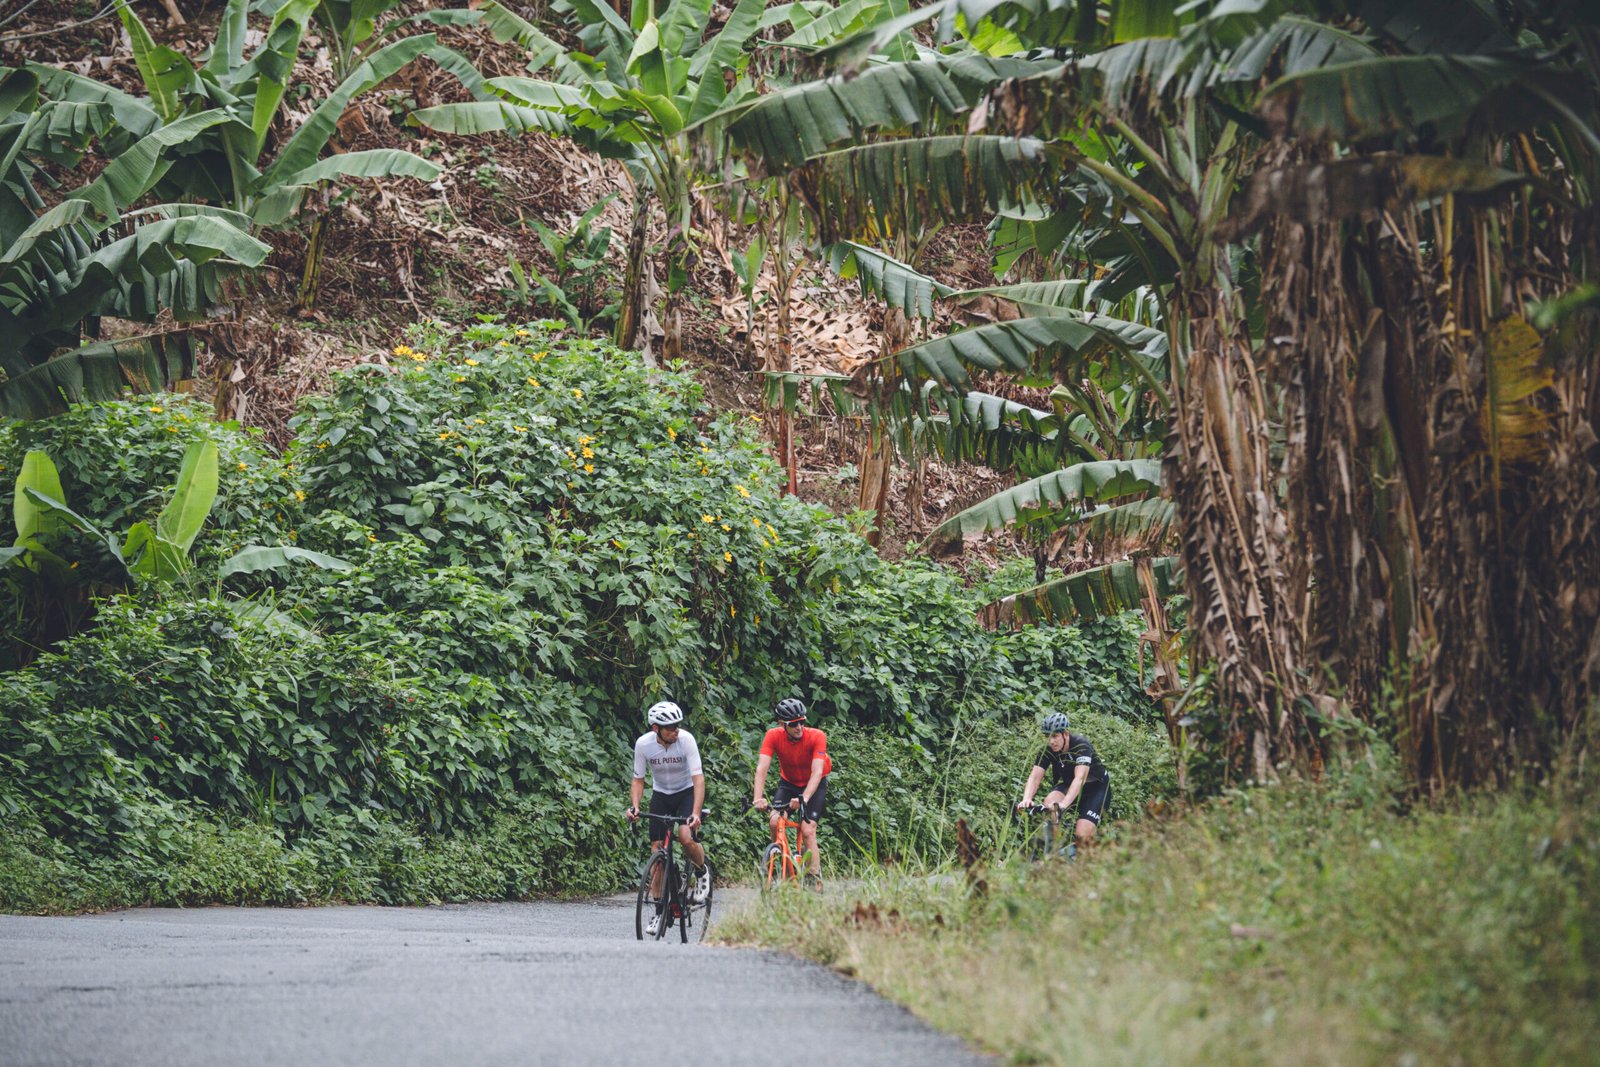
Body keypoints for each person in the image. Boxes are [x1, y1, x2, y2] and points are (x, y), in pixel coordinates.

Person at [626, 700, 709, 935]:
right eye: (670, 727)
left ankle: (702, 872)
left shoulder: (686, 740)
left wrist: (695, 813)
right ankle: (659, 912)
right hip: (661, 794)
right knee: (657, 851)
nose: (676, 730)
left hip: (685, 793)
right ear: (656, 729)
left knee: (685, 836)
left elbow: (698, 779)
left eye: (677, 725)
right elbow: (638, 780)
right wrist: (634, 806)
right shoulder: (643, 745)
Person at [750, 697, 830, 887]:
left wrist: (804, 798)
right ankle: (779, 862)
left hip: (814, 784)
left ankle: (813, 878)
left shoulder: (817, 736)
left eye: (802, 722)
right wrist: (757, 798)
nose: (799, 727)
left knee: (808, 830)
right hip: (789, 783)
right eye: (794, 724)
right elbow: (762, 768)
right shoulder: (773, 736)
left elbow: (817, 772)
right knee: (774, 821)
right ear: (781, 724)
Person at [1016, 711, 1111, 856]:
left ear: (1065, 734)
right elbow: (1035, 777)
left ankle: (1085, 857)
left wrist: (1064, 804)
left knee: (1082, 836)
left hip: (1095, 787)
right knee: (1050, 803)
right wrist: (1026, 799)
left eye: (1054, 736)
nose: (1051, 741)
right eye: (1048, 736)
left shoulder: (1081, 745)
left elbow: (1080, 779)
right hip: (1069, 784)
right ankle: (1054, 851)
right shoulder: (1048, 750)